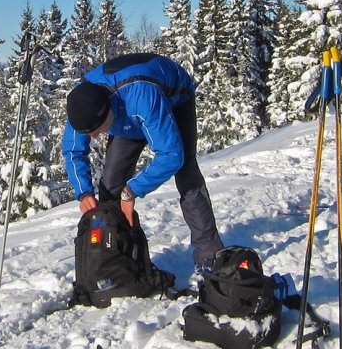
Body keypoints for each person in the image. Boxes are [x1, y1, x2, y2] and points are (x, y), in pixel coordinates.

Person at [62, 52, 224, 273]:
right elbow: (73, 150)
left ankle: (209, 256)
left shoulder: (142, 95)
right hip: (126, 111)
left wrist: (132, 191)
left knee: (186, 171)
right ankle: (117, 257)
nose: (93, 137)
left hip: (174, 99)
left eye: (98, 130)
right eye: (88, 132)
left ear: (108, 111)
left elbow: (171, 155)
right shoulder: (81, 104)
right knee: (110, 184)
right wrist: (84, 193)